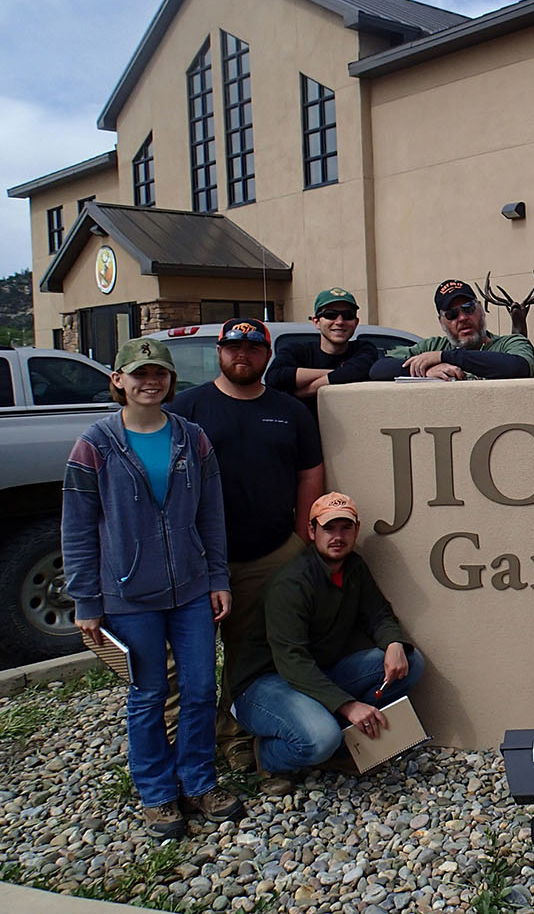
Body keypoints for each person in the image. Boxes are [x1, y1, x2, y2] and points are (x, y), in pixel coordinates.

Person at [63, 337, 244, 838]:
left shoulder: (192, 439)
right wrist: (87, 601)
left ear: (170, 381)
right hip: (127, 596)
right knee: (147, 694)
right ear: (118, 380)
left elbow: (212, 515)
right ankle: (157, 794)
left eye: (159, 373)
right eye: (139, 373)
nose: (150, 381)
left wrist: (217, 577)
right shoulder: (94, 446)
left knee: (201, 689)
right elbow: (77, 528)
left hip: (189, 590)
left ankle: (199, 782)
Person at [170, 318, 324, 769]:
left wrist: (299, 538)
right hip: (199, 559)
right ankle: (189, 752)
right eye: (234, 346)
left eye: (254, 348)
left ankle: (236, 734)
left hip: (268, 554)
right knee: (192, 661)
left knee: (251, 654)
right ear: (219, 351)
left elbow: (310, 473)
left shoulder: (289, 410)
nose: (244, 355)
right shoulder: (187, 408)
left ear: (267, 355)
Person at [227, 492, 425, 791]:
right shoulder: (291, 583)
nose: (337, 536)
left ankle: (344, 746)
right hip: (266, 684)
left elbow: (378, 613)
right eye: (328, 528)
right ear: (311, 531)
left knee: (410, 662)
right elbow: (291, 661)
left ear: (356, 530)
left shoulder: (353, 568)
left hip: (317, 675)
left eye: (345, 528)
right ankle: (269, 757)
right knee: (322, 737)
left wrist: (394, 643)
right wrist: (348, 705)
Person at [369, 280, 534, 380]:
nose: (462, 318)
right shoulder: (430, 348)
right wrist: (426, 371)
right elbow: (378, 368)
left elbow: (519, 368)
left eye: (468, 308)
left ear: (481, 311)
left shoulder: (510, 344)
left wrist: (445, 357)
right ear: (441, 322)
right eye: (452, 314)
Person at [265, 288, 378, 415]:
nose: (340, 322)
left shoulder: (364, 348)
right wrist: (341, 373)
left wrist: (304, 392)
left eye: (347, 315)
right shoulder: (296, 351)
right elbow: (275, 377)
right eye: (330, 315)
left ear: (356, 322)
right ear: (316, 322)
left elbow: (359, 370)